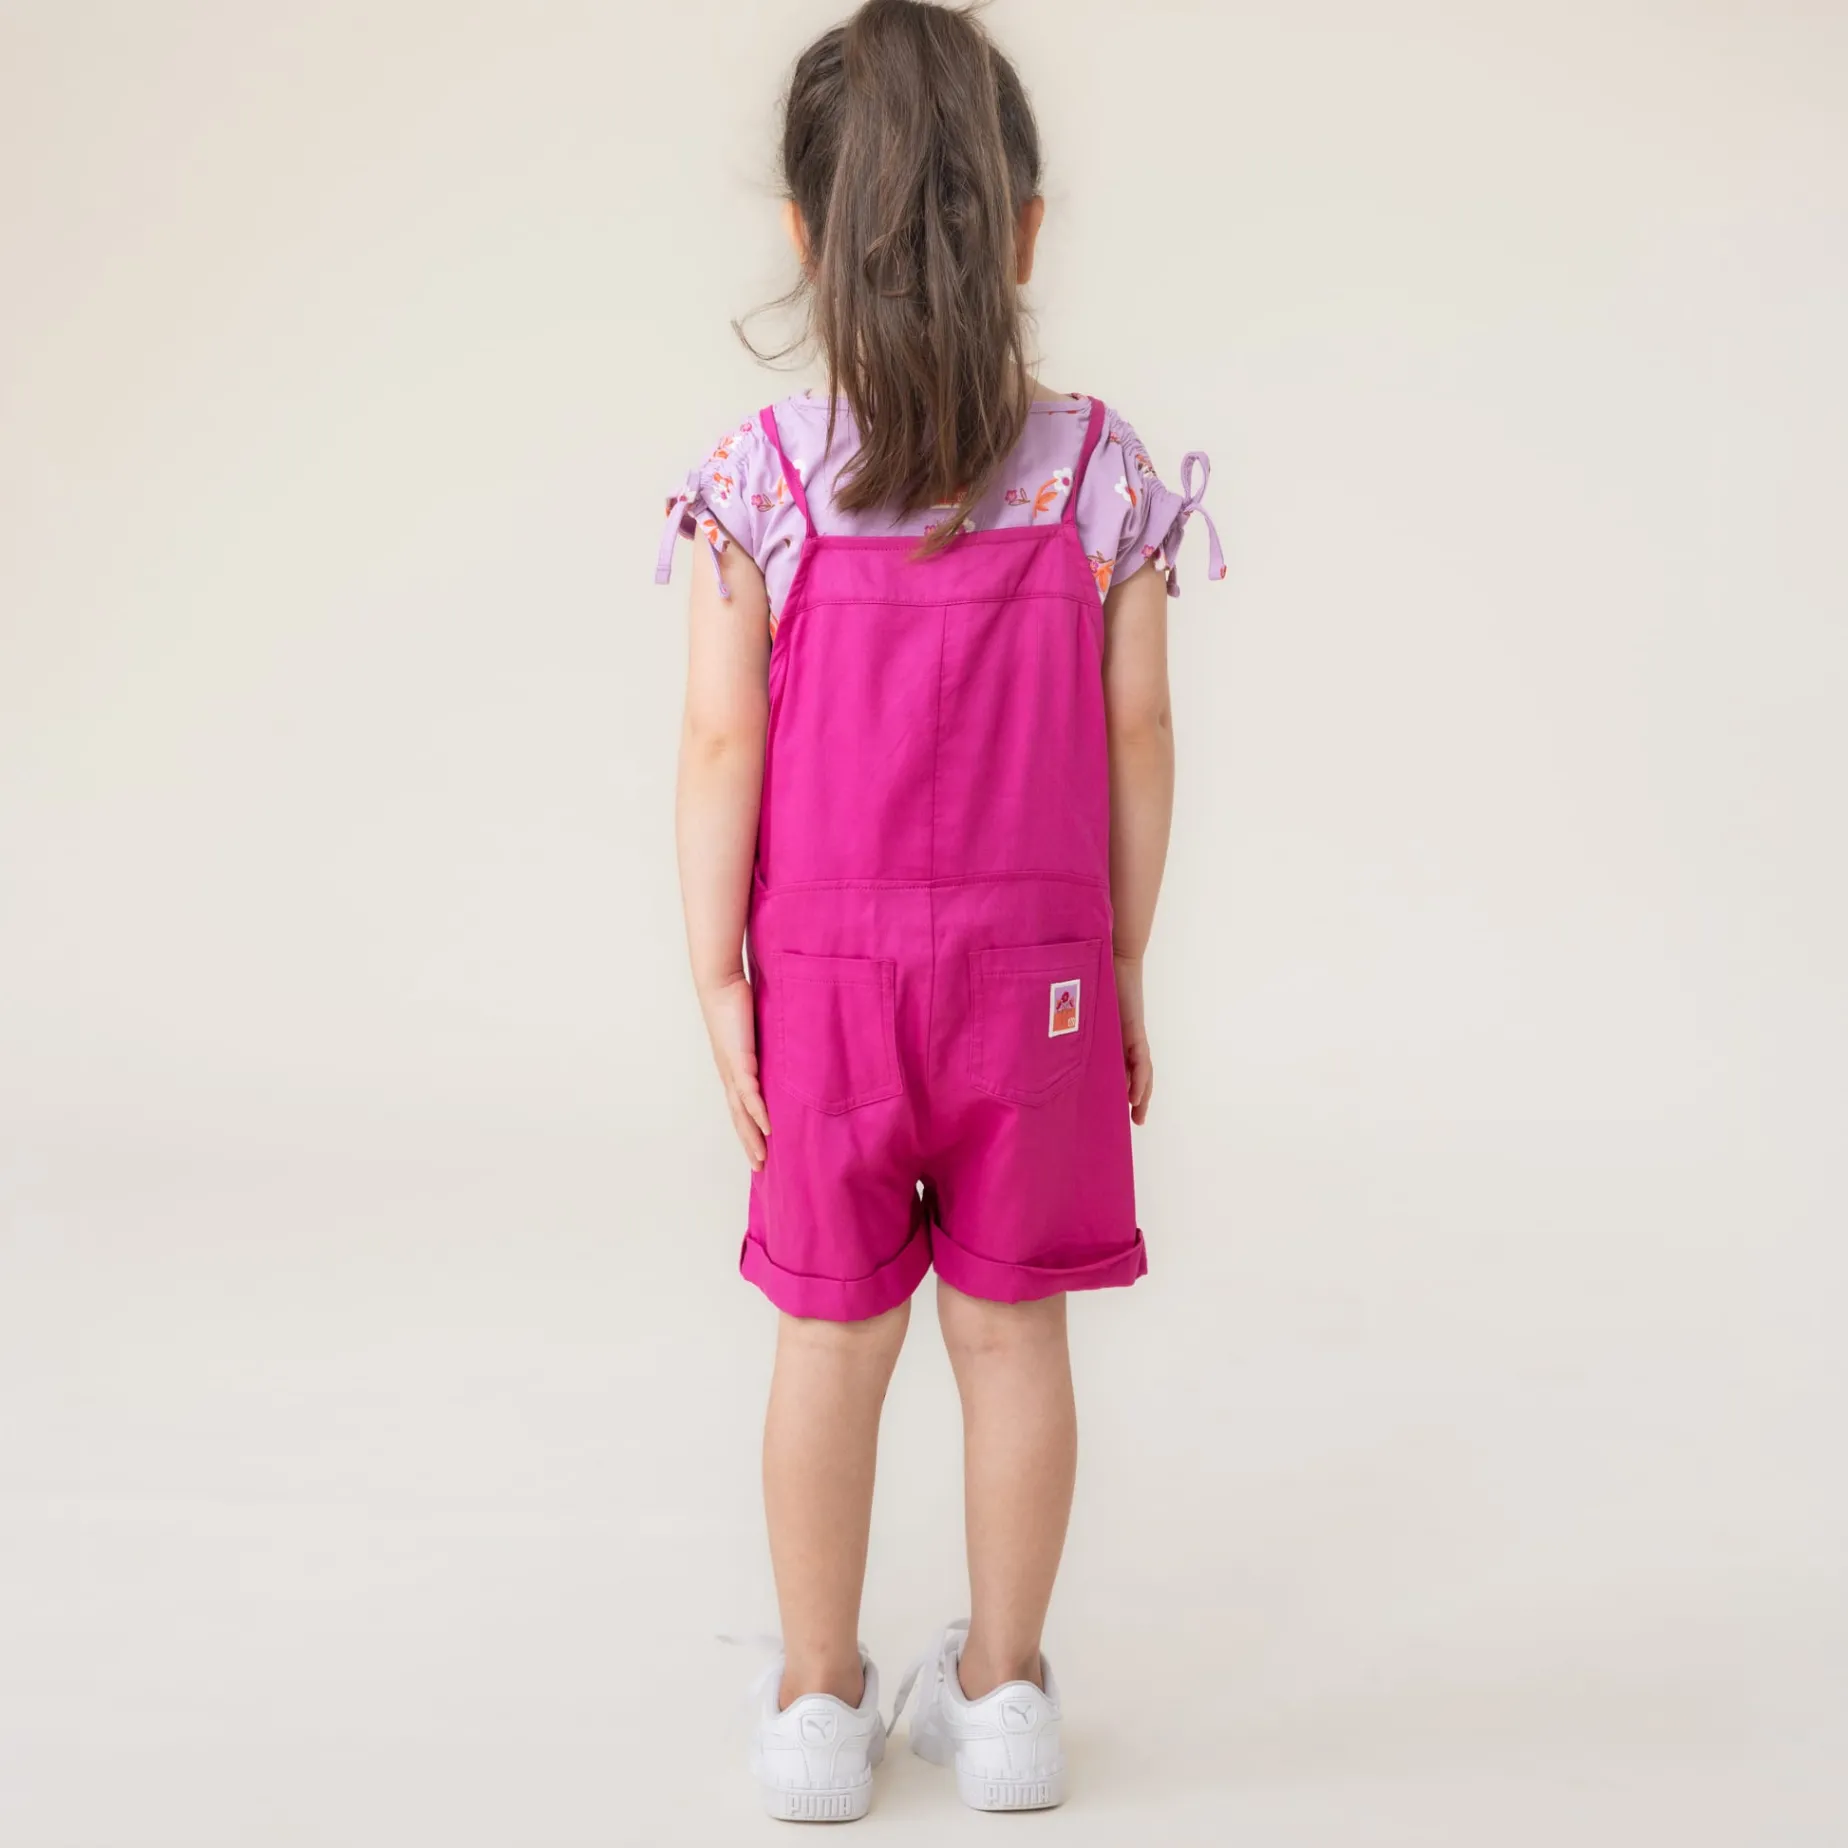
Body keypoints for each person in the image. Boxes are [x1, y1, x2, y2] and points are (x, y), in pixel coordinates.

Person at [657, 0, 1224, 1820]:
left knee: (831, 1337)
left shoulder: (762, 480)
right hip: (1033, 980)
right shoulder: (1100, 473)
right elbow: (1140, 734)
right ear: (1027, 231)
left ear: (805, 236)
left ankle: (817, 1705)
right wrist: (1120, 959)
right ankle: (1004, 1699)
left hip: (826, 987)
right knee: (1011, 1331)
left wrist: (719, 975)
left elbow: (720, 741)